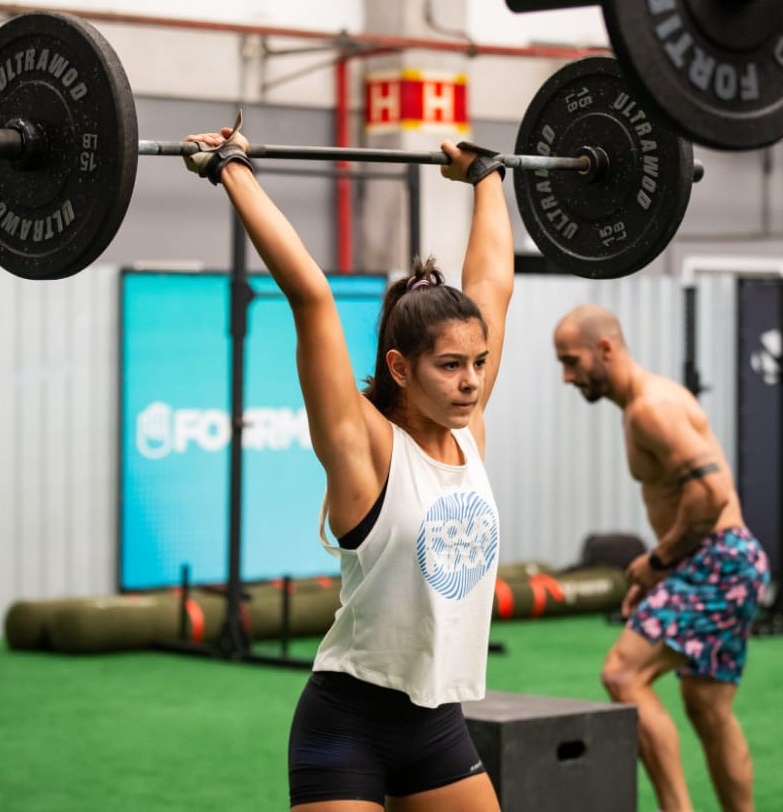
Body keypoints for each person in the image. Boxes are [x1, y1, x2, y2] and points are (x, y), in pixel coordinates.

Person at [183, 119, 514, 811]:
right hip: (347, 726)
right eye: (449, 366)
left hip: (436, 722)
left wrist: (486, 180)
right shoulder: (362, 449)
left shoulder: (468, 433)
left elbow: (492, 287)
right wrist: (231, 170)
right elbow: (311, 296)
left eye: (477, 364)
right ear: (399, 367)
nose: (471, 382)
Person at [552, 304, 771, 812]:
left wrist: (658, 561)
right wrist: (658, 576)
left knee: (624, 675)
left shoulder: (651, 408)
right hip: (723, 558)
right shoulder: (647, 403)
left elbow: (712, 493)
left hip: (717, 557)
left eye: (571, 361)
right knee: (708, 710)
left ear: (605, 349)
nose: (566, 376)